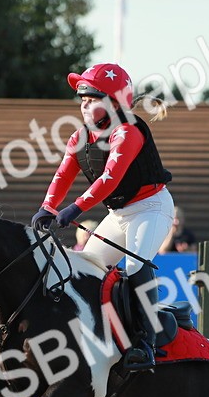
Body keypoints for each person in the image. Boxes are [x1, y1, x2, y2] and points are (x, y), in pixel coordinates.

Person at [31, 62, 174, 371]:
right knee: (84, 267)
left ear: (114, 102)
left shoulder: (128, 132)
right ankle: (95, 333)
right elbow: (63, 174)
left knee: (136, 265)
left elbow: (109, 178)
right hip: (120, 214)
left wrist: (75, 208)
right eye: (82, 100)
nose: (84, 106)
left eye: (92, 99)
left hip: (151, 208)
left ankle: (145, 344)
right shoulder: (81, 136)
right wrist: (48, 207)